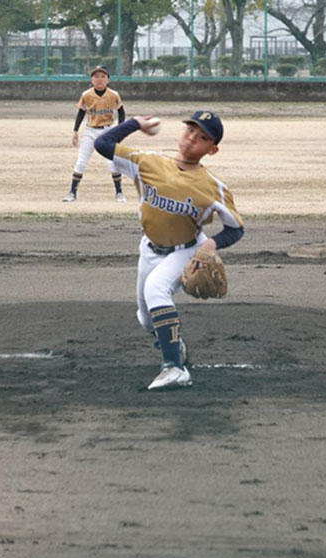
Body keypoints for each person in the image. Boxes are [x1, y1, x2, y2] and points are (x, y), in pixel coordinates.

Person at [93, 110, 244, 390]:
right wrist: (135, 123)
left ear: (212, 150)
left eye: (202, 138)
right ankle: (176, 347)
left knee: (156, 290)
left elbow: (236, 228)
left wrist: (210, 246)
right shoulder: (148, 162)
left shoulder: (213, 187)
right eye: (189, 131)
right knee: (145, 317)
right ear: (181, 132)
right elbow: (102, 145)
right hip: (149, 249)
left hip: (186, 251)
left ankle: (174, 368)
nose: (191, 139)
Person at [63, 65, 127, 203]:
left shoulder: (114, 94)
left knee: (113, 163)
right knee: (81, 161)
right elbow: (81, 112)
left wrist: (120, 130)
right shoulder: (86, 94)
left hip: (108, 131)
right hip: (90, 131)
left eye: (103, 76)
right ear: (92, 80)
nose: (99, 79)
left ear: (108, 80)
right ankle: (72, 193)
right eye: (96, 76)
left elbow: (121, 111)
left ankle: (119, 193)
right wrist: (75, 131)